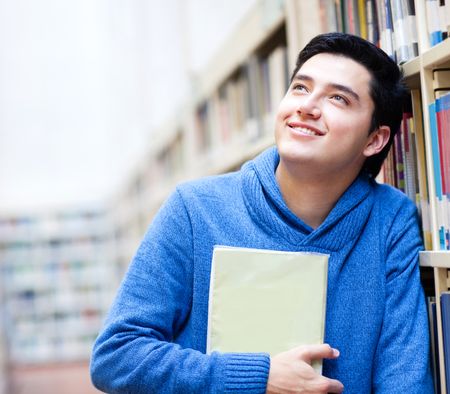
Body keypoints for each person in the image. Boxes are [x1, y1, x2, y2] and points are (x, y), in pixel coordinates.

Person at [90, 32, 433, 393]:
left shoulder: (391, 220)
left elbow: (405, 379)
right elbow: (116, 355)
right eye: (300, 88)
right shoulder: (195, 209)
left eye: (337, 98)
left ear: (374, 140)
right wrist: (260, 376)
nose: (307, 106)